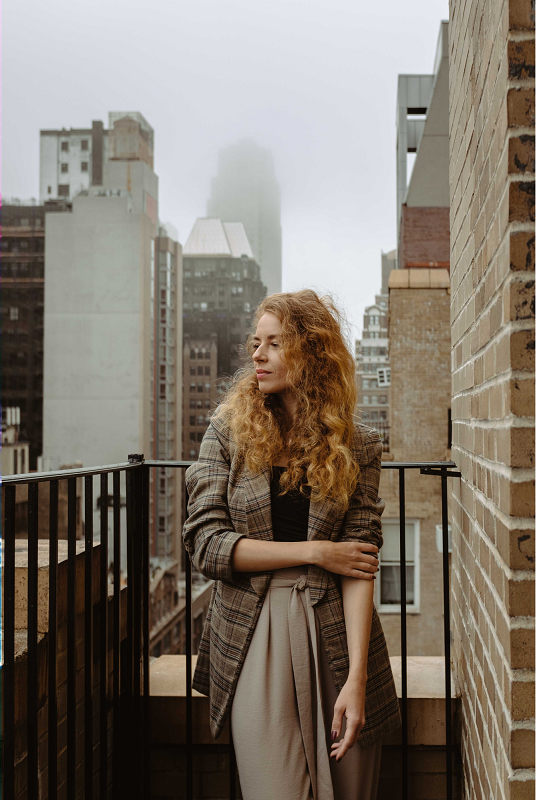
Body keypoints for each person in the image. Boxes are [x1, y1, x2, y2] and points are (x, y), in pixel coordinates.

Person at [182, 290, 401, 800]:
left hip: (338, 635)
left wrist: (357, 679)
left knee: (350, 787)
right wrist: (315, 552)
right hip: (253, 628)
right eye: (255, 343)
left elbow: (360, 562)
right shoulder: (227, 434)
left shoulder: (359, 446)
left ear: (311, 352)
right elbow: (206, 544)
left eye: (274, 344)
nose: (257, 355)